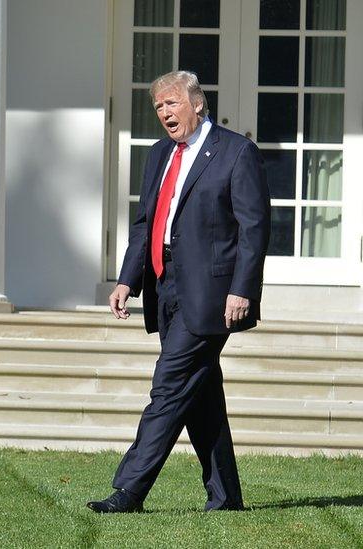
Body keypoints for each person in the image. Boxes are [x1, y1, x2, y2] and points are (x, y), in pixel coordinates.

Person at [87, 71, 270, 513]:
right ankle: (226, 498)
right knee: (200, 393)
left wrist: (242, 289)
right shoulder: (159, 155)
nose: (165, 112)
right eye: (158, 106)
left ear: (197, 104)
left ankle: (129, 491)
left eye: (172, 103)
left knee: (169, 386)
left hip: (211, 294)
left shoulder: (235, 151)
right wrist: (128, 280)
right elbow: (146, 223)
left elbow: (255, 227)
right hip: (164, 287)